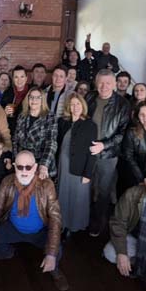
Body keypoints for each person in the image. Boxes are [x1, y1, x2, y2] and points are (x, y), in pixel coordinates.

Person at [0, 150, 69, 291]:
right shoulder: (7, 182)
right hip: (13, 228)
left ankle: (55, 269)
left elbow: (55, 218)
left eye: (28, 167)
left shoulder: (47, 185)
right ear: (14, 166)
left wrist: (51, 255)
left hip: (39, 231)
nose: (24, 171)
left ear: (35, 167)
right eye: (20, 167)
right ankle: (7, 252)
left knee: (56, 248)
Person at [86, 69, 131, 236]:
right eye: (100, 83)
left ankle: (98, 221)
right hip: (88, 152)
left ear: (114, 84)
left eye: (108, 83)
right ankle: (84, 218)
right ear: (96, 83)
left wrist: (104, 145)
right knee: (87, 187)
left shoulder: (123, 104)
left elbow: (122, 133)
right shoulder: (89, 97)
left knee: (103, 191)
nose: (104, 86)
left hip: (108, 155)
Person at [56, 93, 97, 234]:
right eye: (72, 104)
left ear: (83, 106)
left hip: (80, 167)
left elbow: (92, 152)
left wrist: (88, 173)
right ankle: (62, 224)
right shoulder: (62, 122)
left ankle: (73, 226)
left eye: (78, 104)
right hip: (63, 164)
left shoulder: (90, 125)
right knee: (63, 194)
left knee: (78, 197)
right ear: (68, 107)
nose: (75, 107)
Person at [13, 87, 58, 179]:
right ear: (28, 99)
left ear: (42, 100)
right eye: (31, 97)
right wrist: (16, 160)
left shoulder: (50, 117)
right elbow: (15, 140)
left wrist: (44, 165)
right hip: (23, 165)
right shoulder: (22, 115)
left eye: (38, 97)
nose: (34, 100)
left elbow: (51, 143)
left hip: (41, 164)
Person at [4, 65, 29, 134]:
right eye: (16, 77)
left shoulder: (32, 91)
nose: (19, 80)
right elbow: (1, 110)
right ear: (13, 79)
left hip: (28, 130)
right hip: (12, 130)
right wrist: (4, 112)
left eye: (22, 77)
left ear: (26, 78)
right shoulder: (8, 92)